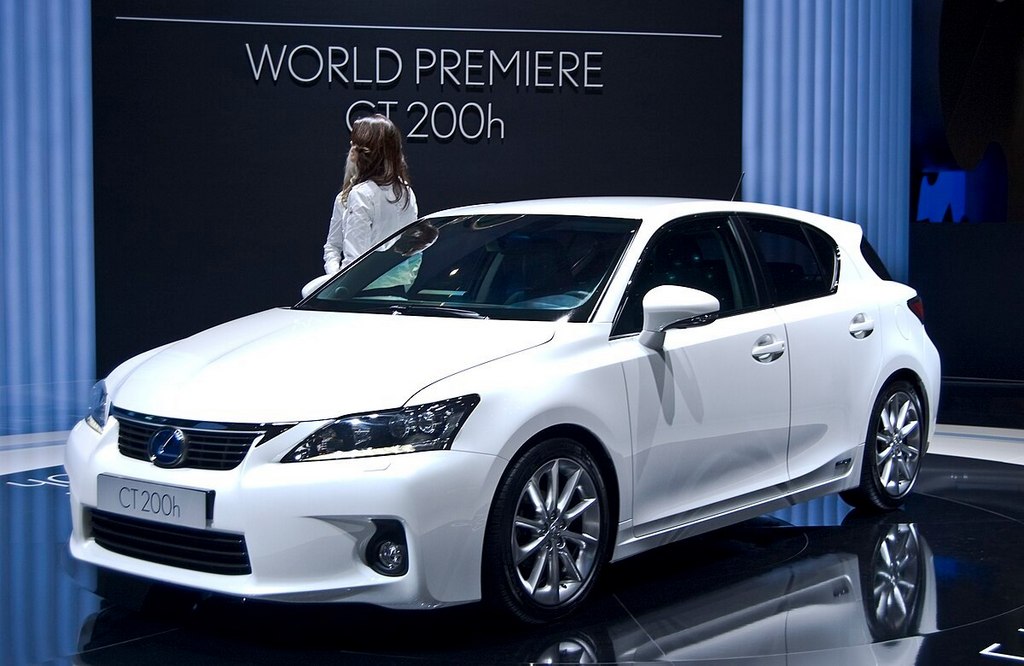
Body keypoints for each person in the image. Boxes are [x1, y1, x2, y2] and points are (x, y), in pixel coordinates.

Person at [323, 114, 419, 274]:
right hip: (401, 284)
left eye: (354, 144)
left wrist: (340, 283)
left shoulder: (361, 194)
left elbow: (354, 261)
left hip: (365, 286)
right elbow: (333, 246)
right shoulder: (406, 191)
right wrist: (333, 275)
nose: (351, 149)